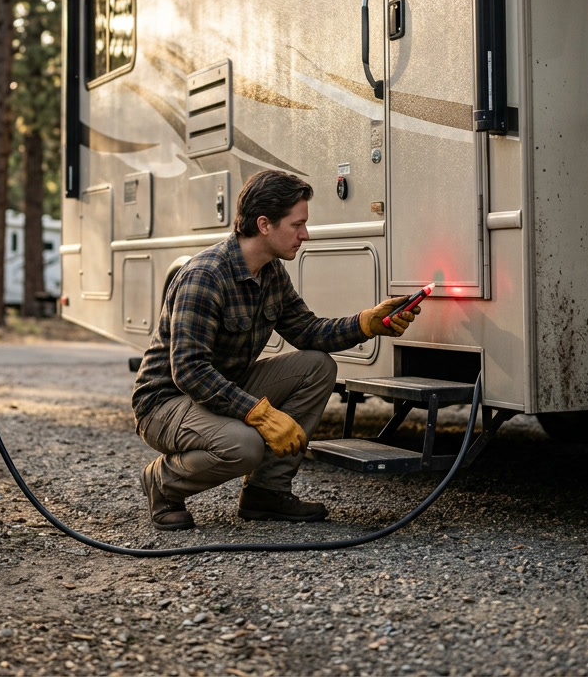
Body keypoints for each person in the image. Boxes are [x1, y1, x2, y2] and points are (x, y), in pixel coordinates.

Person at [132, 169, 421, 531]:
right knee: (245, 445)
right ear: (264, 224)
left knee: (317, 366)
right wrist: (258, 413)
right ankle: (162, 483)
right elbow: (189, 371)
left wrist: (366, 323)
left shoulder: (270, 274)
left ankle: (266, 492)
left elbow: (307, 331)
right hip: (165, 403)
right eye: (297, 224)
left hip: (219, 390)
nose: (305, 234)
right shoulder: (204, 276)